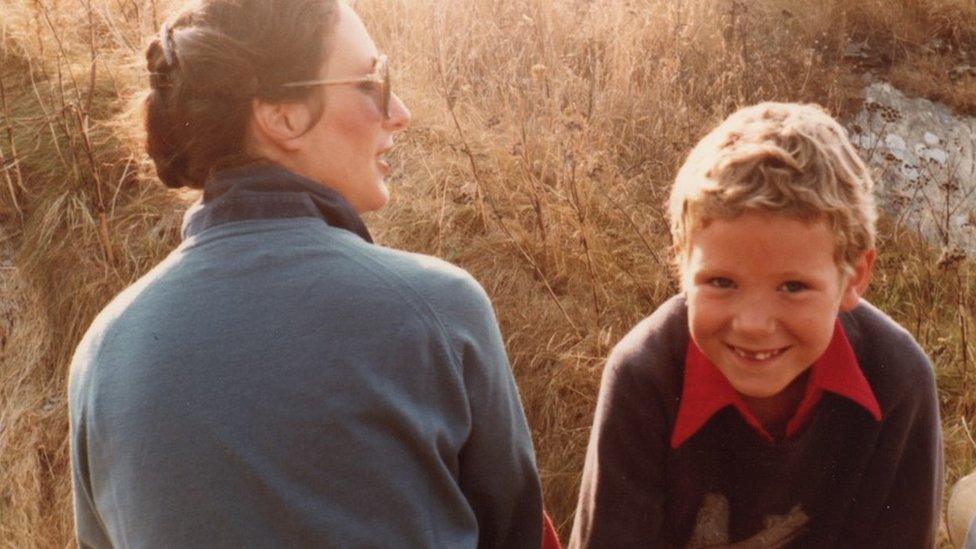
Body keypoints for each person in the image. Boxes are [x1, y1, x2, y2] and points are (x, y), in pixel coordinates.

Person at [68, 1, 545, 546]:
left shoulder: (103, 350)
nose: (401, 112)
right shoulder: (438, 308)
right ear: (282, 115)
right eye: (373, 80)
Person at [569, 103, 942, 548]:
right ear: (682, 264)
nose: (752, 324)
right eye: (721, 282)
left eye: (793, 287)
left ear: (854, 276)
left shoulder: (897, 379)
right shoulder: (644, 376)